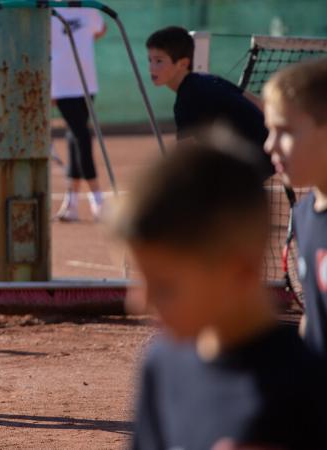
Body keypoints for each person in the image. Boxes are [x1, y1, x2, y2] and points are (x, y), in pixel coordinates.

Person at [111, 137, 327, 449]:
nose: (138, 303)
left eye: (164, 285)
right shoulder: (161, 365)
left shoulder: (308, 388)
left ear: (240, 272)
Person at [146, 26, 275, 178]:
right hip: (268, 152)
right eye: (150, 60)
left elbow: (185, 156)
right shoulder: (207, 79)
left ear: (182, 63)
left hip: (251, 161)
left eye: (159, 61)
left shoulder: (187, 99)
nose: (151, 68)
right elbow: (258, 103)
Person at [264, 57, 327, 356]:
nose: (269, 145)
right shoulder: (304, 214)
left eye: (285, 131)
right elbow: (314, 320)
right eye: (269, 130)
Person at [51, 7, 108, 222]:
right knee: (82, 136)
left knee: (75, 137)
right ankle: (97, 198)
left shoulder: (89, 9)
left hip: (87, 84)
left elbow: (100, 29)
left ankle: (72, 203)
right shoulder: (49, 11)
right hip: (61, 87)